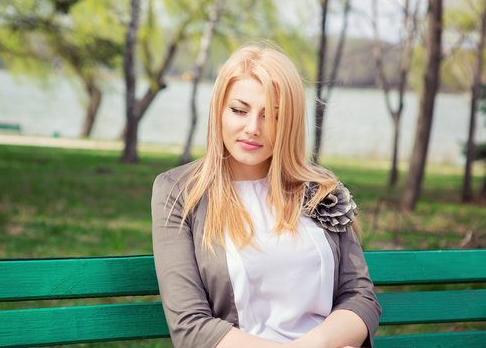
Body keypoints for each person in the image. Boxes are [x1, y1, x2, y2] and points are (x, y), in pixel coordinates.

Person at [151, 44, 381, 348]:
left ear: (289, 123)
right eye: (239, 110)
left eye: (272, 116)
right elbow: (191, 327)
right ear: (218, 109)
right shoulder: (179, 192)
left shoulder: (321, 189)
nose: (253, 128)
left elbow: (360, 297)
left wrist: (314, 345)